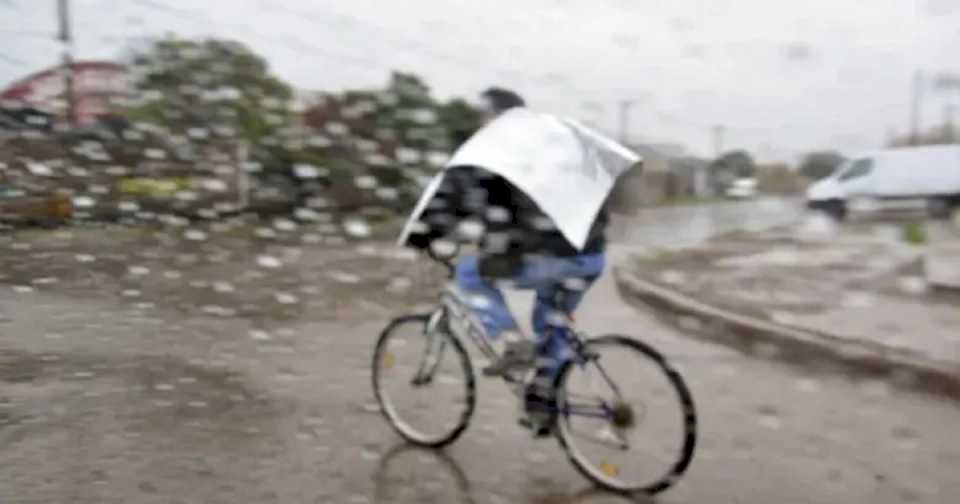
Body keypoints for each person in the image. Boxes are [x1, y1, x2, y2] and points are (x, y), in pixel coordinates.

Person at [408, 87, 612, 434]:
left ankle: (509, 342)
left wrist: (421, 236)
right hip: (592, 254)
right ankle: (543, 398)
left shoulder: (493, 148)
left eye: (482, 116)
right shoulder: (558, 144)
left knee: (470, 273)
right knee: (552, 321)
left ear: (494, 117)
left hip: (552, 255)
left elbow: (452, 198)